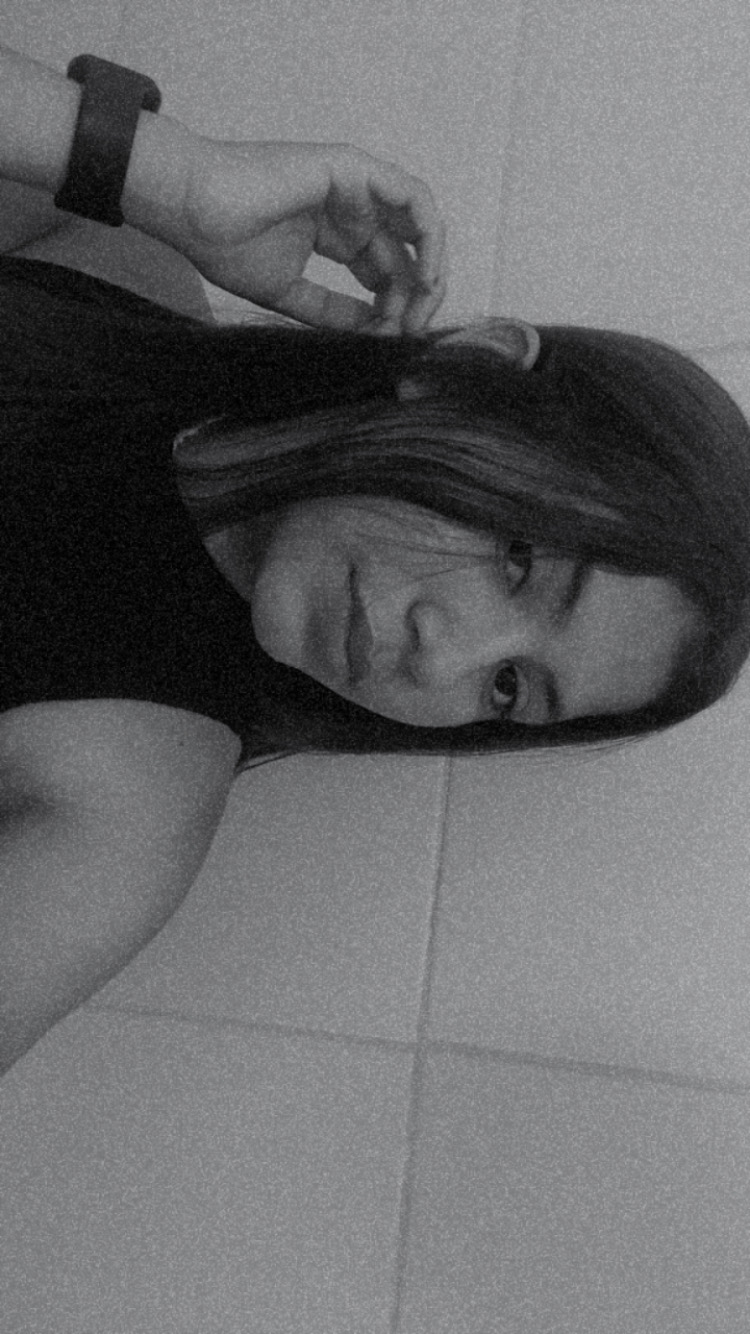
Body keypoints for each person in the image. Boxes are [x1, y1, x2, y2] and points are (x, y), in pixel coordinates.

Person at [1, 44, 749, 1077]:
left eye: (508, 687)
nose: (441, 662)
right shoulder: (114, 265)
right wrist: (167, 176)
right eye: (519, 558)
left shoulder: (126, 811)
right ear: (467, 371)